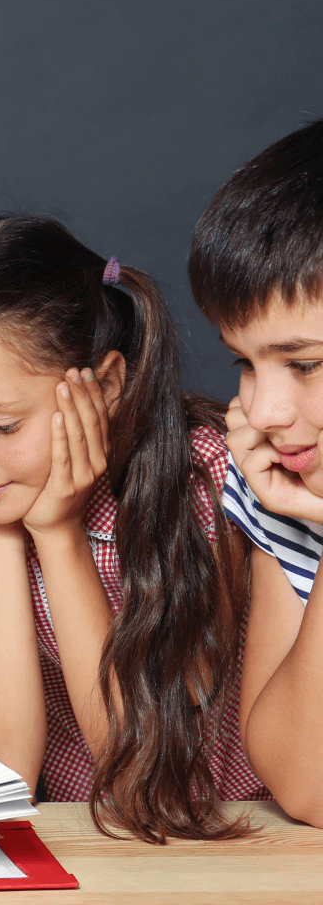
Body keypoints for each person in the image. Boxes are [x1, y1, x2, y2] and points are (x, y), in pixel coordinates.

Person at [0, 215, 265, 843]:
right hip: (73, 840)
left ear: (105, 386)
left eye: (2, 426)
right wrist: (2, 535)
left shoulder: (204, 479)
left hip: (235, 832)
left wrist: (58, 537)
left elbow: (144, 764)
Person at [188, 118, 323, 827]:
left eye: (305, 364)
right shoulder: (284, 489)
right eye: (245, 363)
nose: (263, 410)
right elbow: (306, 785)